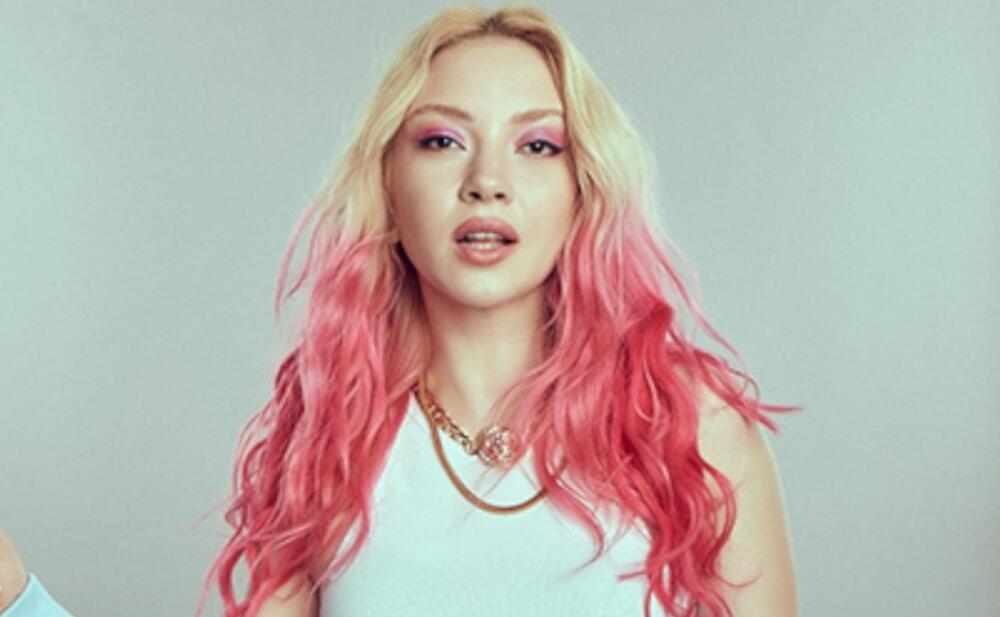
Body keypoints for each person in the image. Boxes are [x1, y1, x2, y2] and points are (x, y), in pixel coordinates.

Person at [1, 4, 798, 617]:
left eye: (538, 145)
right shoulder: (325, 440)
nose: (487, 181)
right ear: (388, 181)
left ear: (582, 186)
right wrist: (19, 598)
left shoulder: (696, 430)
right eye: (443, 140)